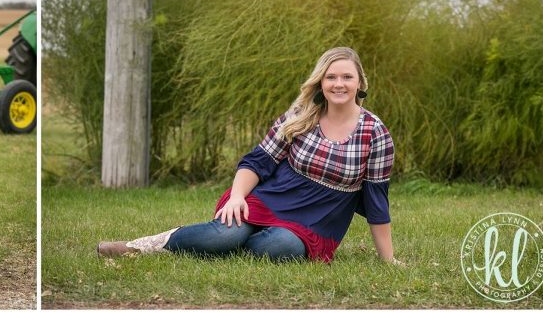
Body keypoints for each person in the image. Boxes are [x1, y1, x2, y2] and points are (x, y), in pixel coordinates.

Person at [97, 47, 400, 265]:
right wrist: (237, 197)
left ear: (360, 82)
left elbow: (376, 202)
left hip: (316, 222)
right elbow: (258, 161)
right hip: (271, 198)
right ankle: (136, 248)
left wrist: (388, 260)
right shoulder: (300, 116)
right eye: (331, 77)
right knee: (223, 237)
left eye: (347, 77)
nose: (339, 84)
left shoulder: (375, 133)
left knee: (278, 248)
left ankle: (239, 240)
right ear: (320, 82)